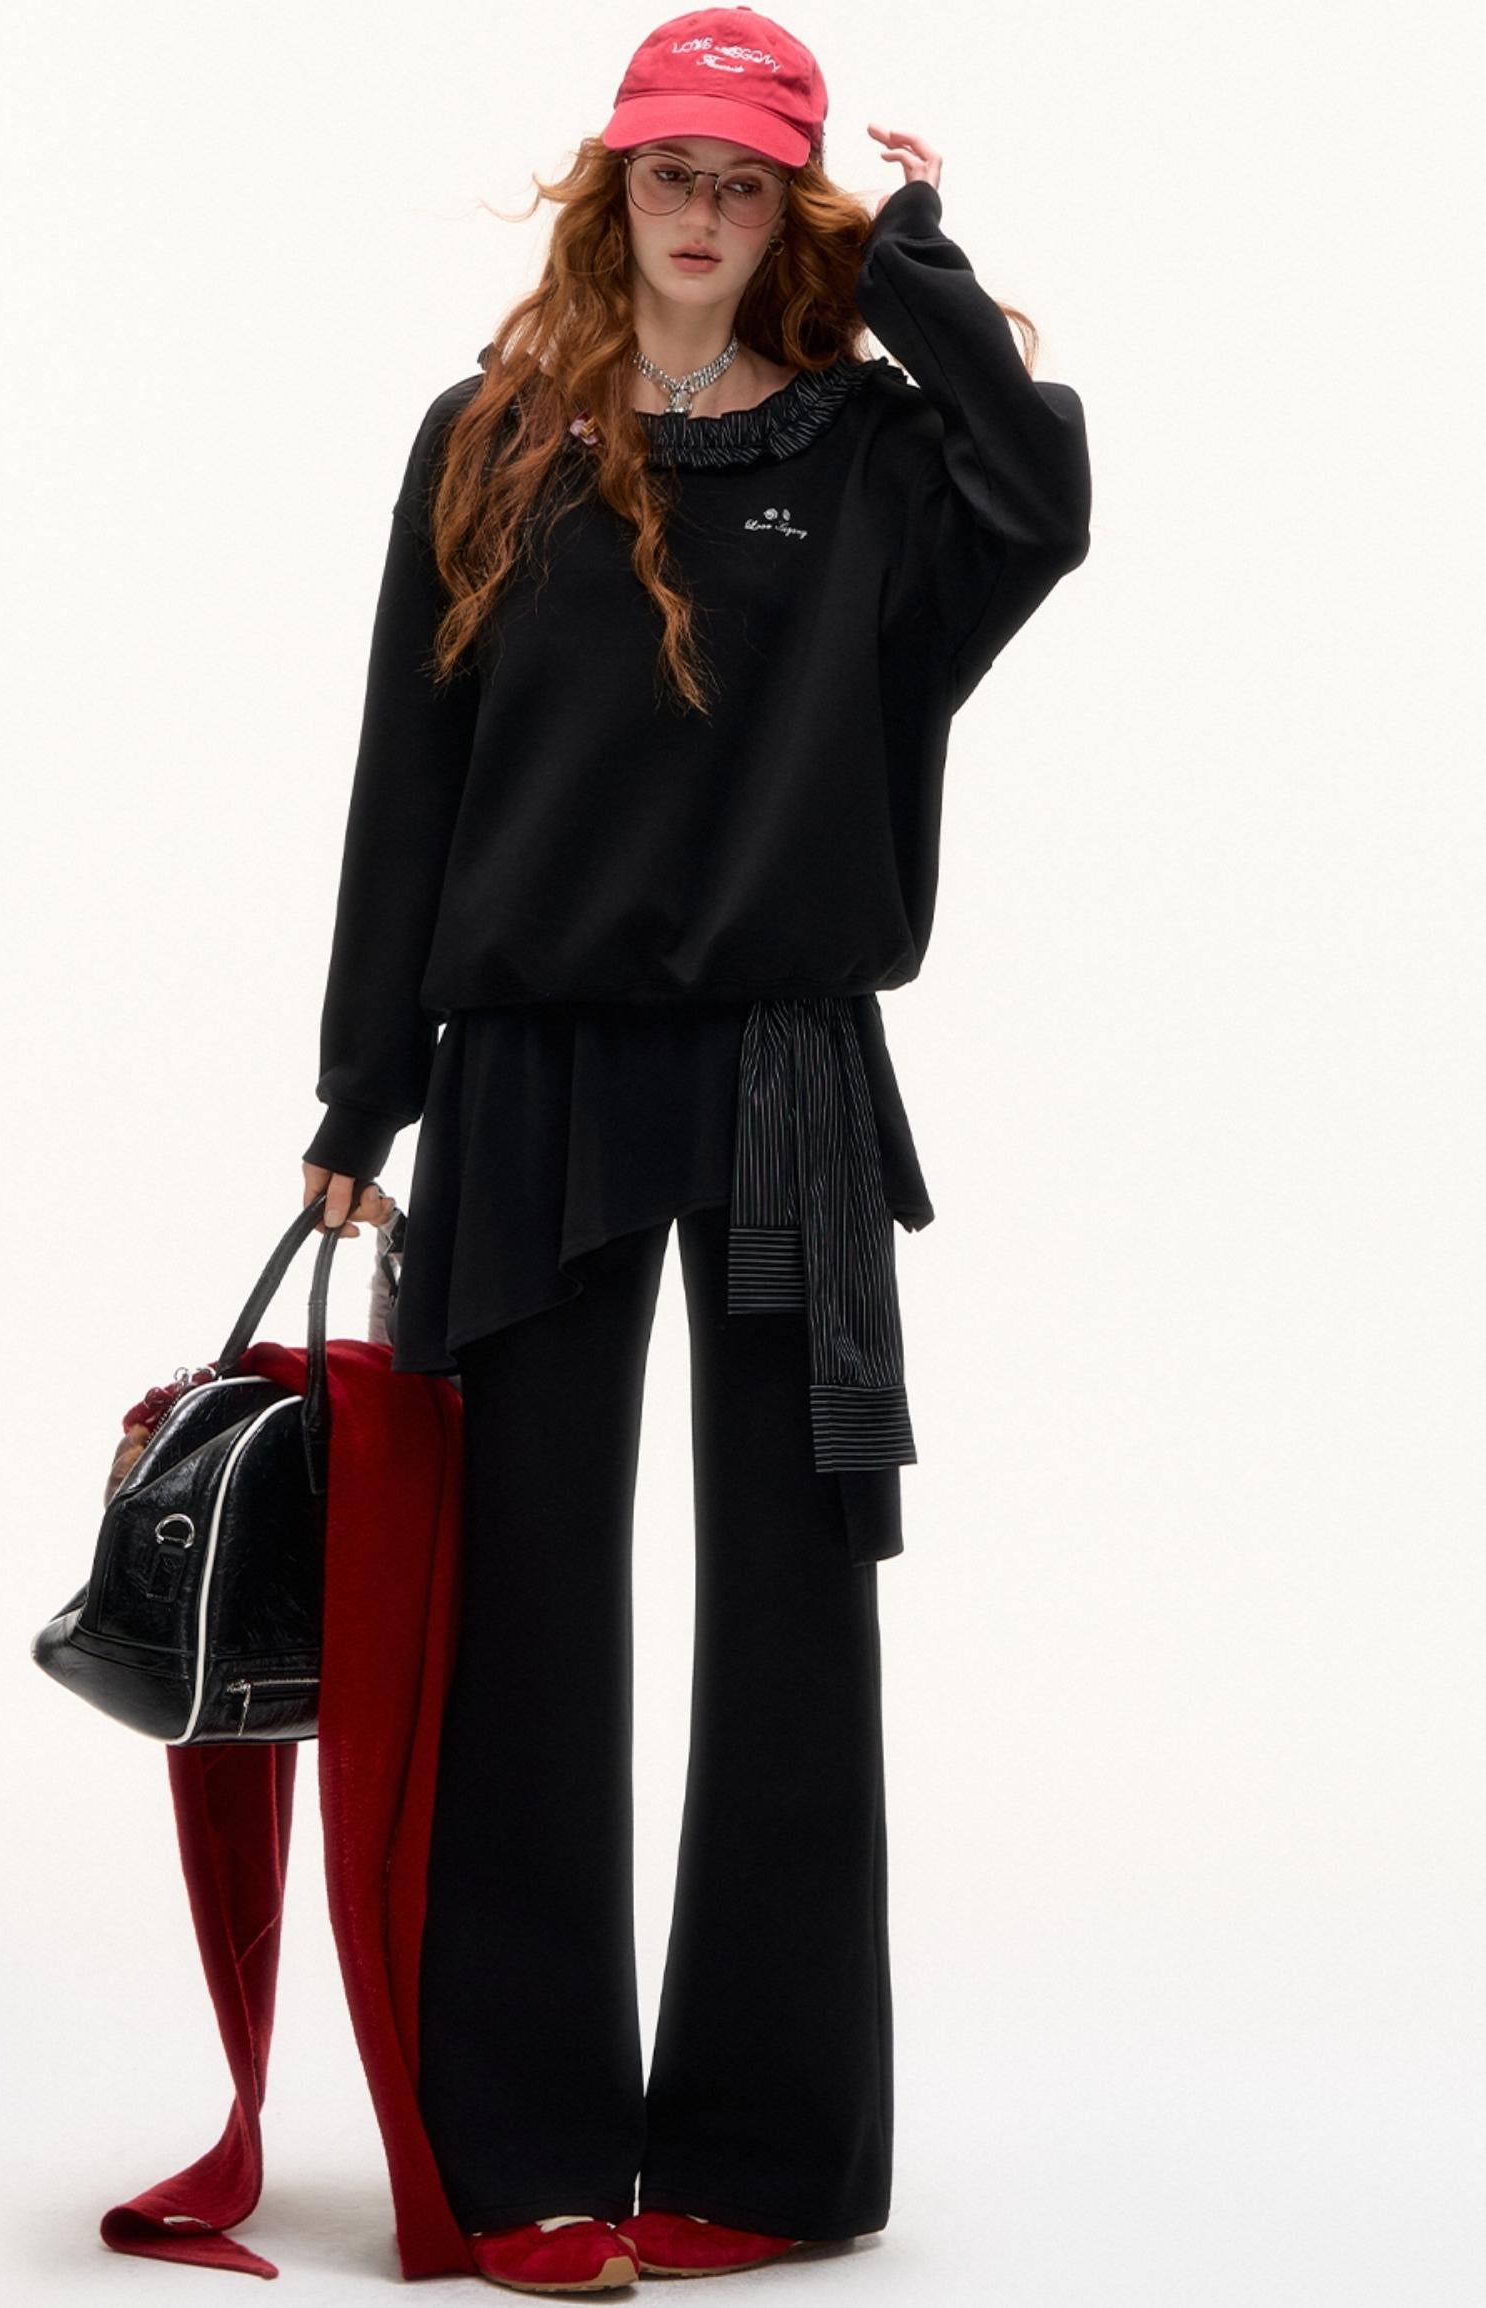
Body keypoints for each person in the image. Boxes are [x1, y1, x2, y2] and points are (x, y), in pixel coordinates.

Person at [300, 5, 1091, 2292]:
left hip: (781, 1066)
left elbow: (1045, 499)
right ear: (612, 184)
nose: (700, 212)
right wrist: (363, 1090)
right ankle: (525, 2153)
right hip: (533, 1071)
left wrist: (917, 266)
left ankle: (765, 2147)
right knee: (526, 1596)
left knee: (790, 1605)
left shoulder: (871, 460)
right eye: (671, 171)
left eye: (746, 182)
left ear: (786, 211)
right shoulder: (487, 439)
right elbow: (406, 779)